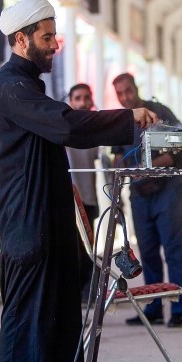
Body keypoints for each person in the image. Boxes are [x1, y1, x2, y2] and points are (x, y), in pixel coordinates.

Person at [0, 0, 158, 362]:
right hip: (26, 219)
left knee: (58, 307)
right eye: (46, 38)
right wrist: (126, 118)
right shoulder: (11, 86)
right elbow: (66, 125)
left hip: (46, 215)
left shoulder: (27, 84)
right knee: (29, 310)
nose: (54, 45)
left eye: (54, 36)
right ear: (21, 39)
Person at [110, 72, 182, 328]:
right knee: (148, 253)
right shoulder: (120, 121)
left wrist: (147, 167)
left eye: (128, 91)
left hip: (167, 192)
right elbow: (117, 158)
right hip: (139, 197)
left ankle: (178, 309)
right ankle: (154, 307)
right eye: (120, 94)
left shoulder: (159, 111)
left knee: (175, 252)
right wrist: (116, 190)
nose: (125, 97)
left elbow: (181, 147)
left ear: (136, 88)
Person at [65, 82, 102, 302]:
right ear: (70, 101)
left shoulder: (95, 130)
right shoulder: (64, 127)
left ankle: (87, 292)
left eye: (86, 97)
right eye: (77, 98)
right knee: (72, 249)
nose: (82, 102)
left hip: (88, 198)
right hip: (67, 199)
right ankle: (74, 294)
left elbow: (97, 169)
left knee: (87, 247)